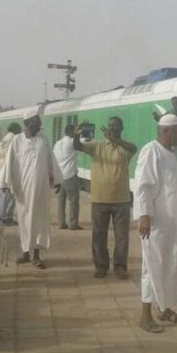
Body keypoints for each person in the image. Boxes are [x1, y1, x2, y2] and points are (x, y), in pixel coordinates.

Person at [134, 114, 177, 333]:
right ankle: (145, 316)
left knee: (170, 265)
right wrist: (144, 216)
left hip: (173, 224)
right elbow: (143, 186)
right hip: (156, 223)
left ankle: (164, 309)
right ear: (166, 131)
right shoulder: (151, 151)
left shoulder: (171, 153)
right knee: (152, 267)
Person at [74, 116, 137, 279]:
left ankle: (120, 266)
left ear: (121, 129)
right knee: (99, 236)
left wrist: (115, 140)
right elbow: (78, 146)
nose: (112, 128)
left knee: (121, 237)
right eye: (110, 125)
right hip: (99, 199)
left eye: (115, 126)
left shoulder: (125, 148)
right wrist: (76, 135)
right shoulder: (97, 145)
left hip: (121, 200)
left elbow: (134, 148)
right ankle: (101, 266)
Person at [4, 104, 62, 269]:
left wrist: (56, 180)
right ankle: (25, 253)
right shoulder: (17, 140)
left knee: (40, 221)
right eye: (36, 122)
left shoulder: (44, 140)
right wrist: (6, 183)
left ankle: (37, 255)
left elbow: (51, 161)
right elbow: (9, 162)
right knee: (24, 221)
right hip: (23, 189)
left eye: (39, 122)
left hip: (42, 189)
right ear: (27, 124)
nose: (39, 125)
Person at [54, 123, 82, 230]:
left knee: (61, 201)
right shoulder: (72, 142)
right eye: (75, 130)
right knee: (73, 200)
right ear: (71, 132)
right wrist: (79, 135)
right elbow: (81, 145)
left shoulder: (57, 143)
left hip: (60, 176)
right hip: (70, 175)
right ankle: (73, 223)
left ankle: (61, 223)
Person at [0, 122, 22, 225]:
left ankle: (3, 217)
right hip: (6, 169)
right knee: (9, 194)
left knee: (2, 195)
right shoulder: (13, 138)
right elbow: (11, 155)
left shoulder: (5, 137)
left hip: (0, 167)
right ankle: (5, 218)